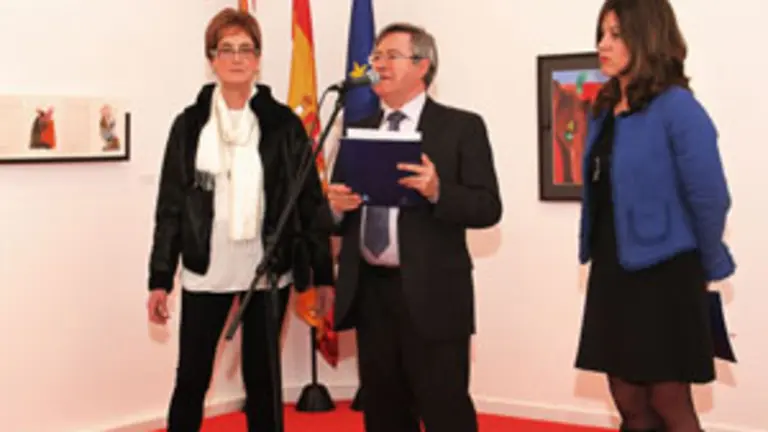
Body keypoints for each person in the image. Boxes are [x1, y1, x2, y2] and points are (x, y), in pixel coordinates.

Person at [145, 8, 334, 432]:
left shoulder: (284, 124)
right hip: (204, 269)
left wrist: (323, 274)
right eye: (225, 49)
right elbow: (170, 207)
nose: (235, 58)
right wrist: (160, 278)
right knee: (192, 378)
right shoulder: (189, 124)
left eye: (245, 49)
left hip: (266, 271)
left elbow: (309, 204)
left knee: (264, 381)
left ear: (258, 58)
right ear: (211, 58)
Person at [327, 22, 502, 432]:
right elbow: (334, 216)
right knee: (384, 414)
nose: (378, 65)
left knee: (445, 412)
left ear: (422, 65)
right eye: (375, 57)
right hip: (371, 293)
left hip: (433, 297)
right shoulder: (359, 128)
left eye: (391, 56)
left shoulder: (461, 127)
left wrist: (440, 191)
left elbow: (488, 207)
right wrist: (334, 209)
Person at [574, 1, 736, 431]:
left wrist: (705, 261)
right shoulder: (604, 109)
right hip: (612, 270)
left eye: (617, 34)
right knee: (627, 399)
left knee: (669, 400)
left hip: (666, 271)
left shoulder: (677, 107)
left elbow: (710, 197)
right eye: (602, 33)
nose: (603, 44)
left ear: (647, 37)